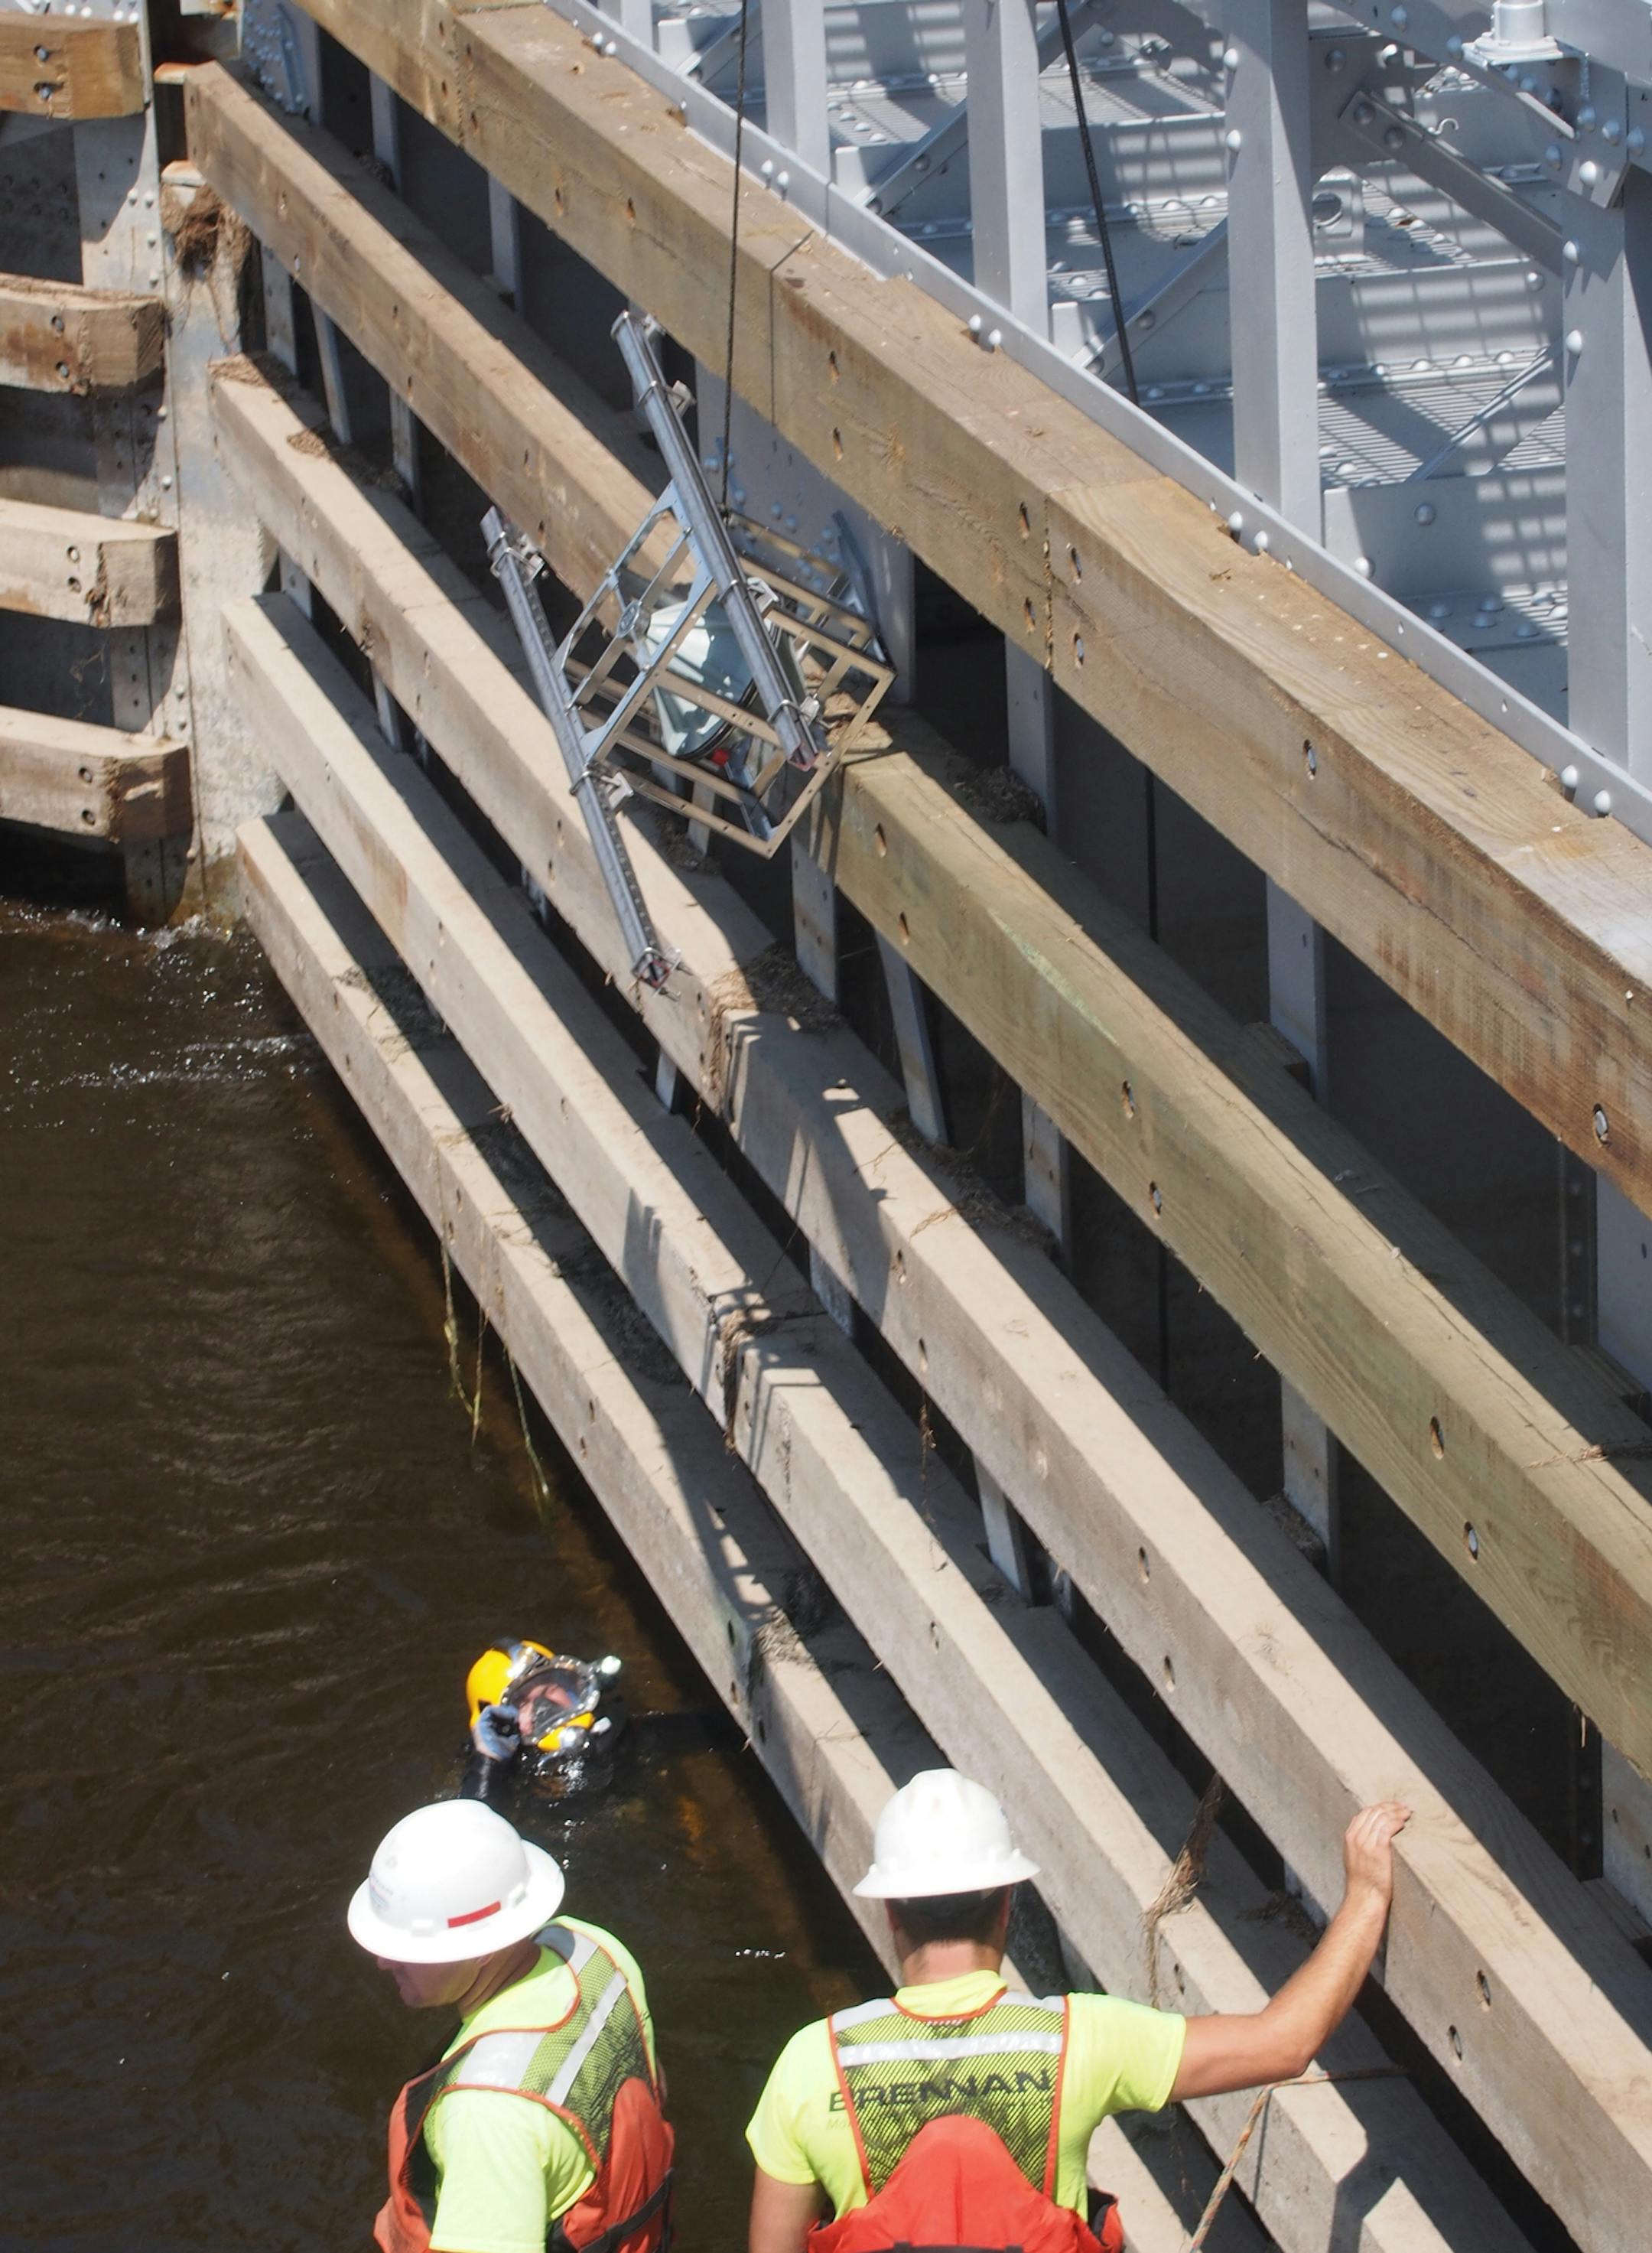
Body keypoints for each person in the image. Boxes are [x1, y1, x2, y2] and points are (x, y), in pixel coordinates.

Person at [746, 1769, 1410, 2253]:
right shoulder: (1074, 2038)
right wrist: (1366, 1895)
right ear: (1007, 1902)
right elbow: (1283, 2043)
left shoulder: (812, 2062)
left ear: (889, 1909)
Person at [350, 1798, 673, 2253]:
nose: (383, 1961)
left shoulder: (486, 2113)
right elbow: (652, 2082)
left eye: (405, 1947)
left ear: (482, 1947)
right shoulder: (594, 1949)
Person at [460, 1639, 627, 1805]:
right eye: (522, 1704)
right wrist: (488, 1761)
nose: (544, 1707)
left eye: (550, 1689)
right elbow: (476, 1825)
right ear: (497, 1724)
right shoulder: (506, 1783)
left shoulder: (622, 1732)